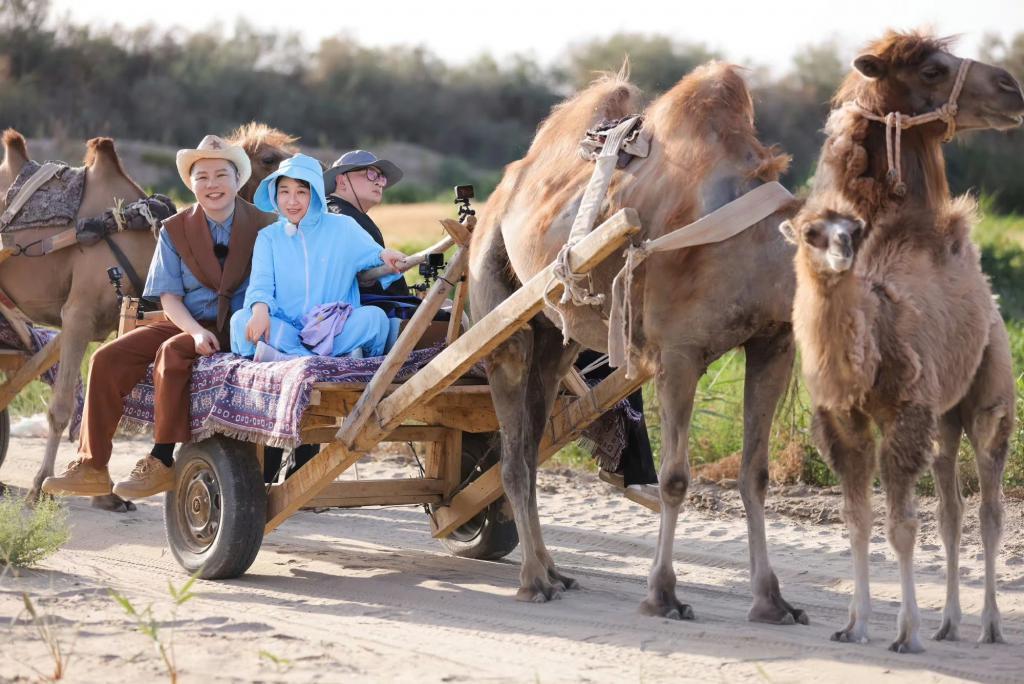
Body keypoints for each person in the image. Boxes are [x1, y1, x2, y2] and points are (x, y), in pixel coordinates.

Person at [42, 135, 278, 499]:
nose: (212, 184)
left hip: (240, 323)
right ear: (191, 184)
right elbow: (168, 296)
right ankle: (92, 465)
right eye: (202, 177)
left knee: (172, 353)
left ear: (237, 180)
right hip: (187, 319)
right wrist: (195, 331)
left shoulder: (265, 224)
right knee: (106, 358)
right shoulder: (175, 229)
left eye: (221, 175)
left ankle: (162, 459)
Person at [230, 153, 407, 362]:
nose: (292, 201)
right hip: (286, 328)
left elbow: (373, 253)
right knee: (240, 320)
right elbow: (261, 283)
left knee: (375, 319)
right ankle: (328, 358)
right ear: (275, 194)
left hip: (334, 327)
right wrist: (260, 310)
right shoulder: (268, 237)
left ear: (314, 194)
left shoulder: (343, 226)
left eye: (301, 192)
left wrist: (386, 255)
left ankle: (286, 358)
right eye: (284, 191)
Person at [323, 150, 410, 297]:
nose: (379, 182)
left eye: (381, 177)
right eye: (370, 174)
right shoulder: (347, 218)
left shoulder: (328, 209)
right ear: (342, 181)